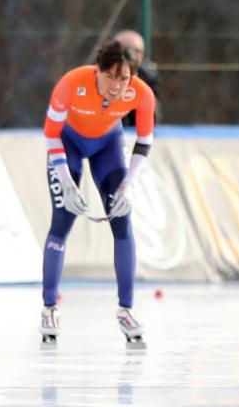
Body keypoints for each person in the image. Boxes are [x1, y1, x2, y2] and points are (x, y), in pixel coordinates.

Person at [41, 39, 156, 344]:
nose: (118, 86)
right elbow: (51, 133)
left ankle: (126, 309)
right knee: (63, 218)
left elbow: (144, 142)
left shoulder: (142, 93)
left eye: (124, 78)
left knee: (122, 219)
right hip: (68, 143)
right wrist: (66, 181)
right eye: (111, 77)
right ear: (97, 72)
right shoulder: (72, 83)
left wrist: (129, 185)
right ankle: (49, 306)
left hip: (107, 144)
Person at [112, 30, 160, 127]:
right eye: (121, 50)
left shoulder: (149, 76)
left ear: (141, 54)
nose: (127, 55)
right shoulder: (102, 72)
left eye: (134, 51)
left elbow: (152, 112)